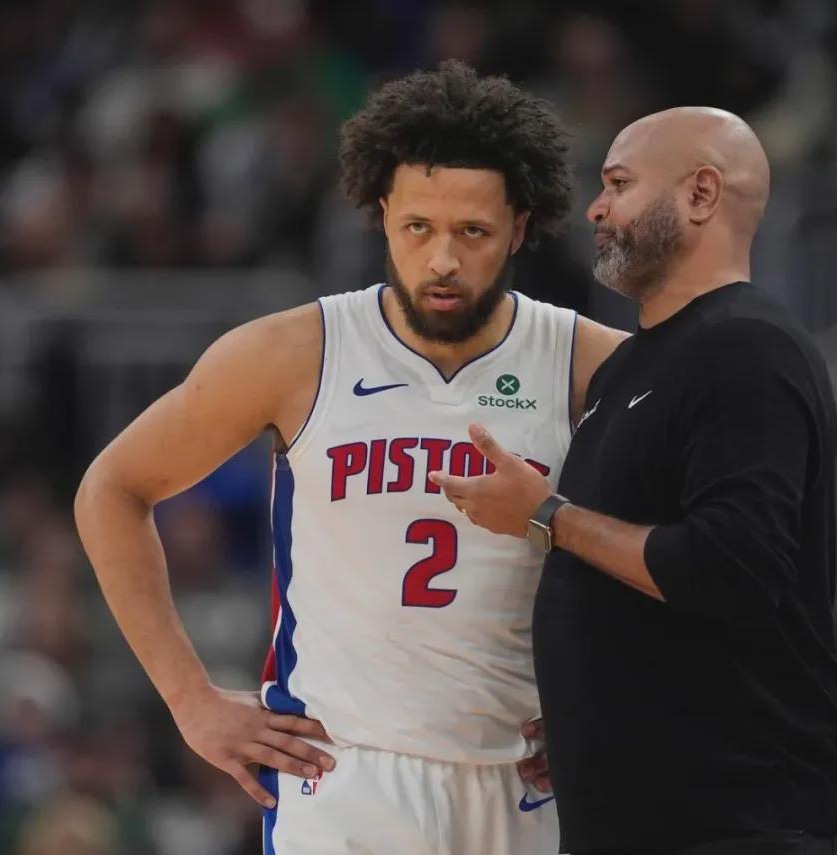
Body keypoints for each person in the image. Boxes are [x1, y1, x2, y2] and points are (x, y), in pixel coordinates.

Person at [74, 61, 626, 855]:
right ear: (382, 214)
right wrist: (189, 700)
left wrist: (611, 699)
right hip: (343, 775)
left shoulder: (589, 365)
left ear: (519, 226)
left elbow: (689, 553)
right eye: (418, 227)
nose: (442, 259)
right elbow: (112, 488)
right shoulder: (296, 352)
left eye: (472, 231)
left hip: (522, 781)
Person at [431, 107, 837, 855]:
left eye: (620, 184)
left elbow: (729, 567)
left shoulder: (748, 348)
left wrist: (545, 515)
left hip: (740, 823)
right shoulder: (627, 368)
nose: (596, 209)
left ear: (701, 194)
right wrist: (586, 724)